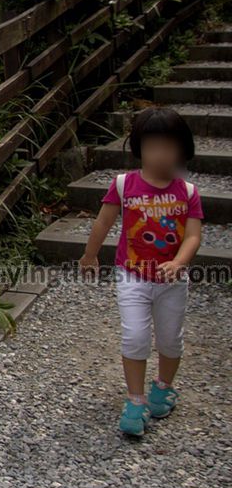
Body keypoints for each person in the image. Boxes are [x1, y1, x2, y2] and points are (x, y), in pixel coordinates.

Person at [79, 107, 203, 437]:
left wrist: (178, 264)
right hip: (132, 276)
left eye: (168, 146)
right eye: (152, 146)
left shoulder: (188, 193)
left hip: (171, 282)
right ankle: (135, 400)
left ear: (182, 149)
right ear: (138, 148)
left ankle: (163, 387)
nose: (160, 154)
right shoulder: (124, 184)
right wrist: (89, 255)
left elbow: (192, 235)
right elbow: (104, 221)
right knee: (134, 335)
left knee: (170, 339)